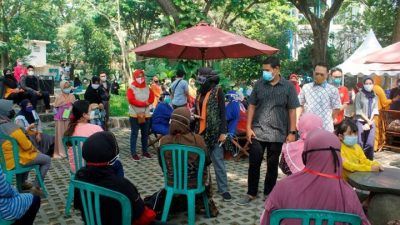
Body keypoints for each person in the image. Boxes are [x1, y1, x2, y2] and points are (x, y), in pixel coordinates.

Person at [260, 130, 371, 225]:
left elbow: (265, 221)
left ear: (305, 156)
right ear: (338, 157)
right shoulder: (349, 194)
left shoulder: (283, 187)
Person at [237, 57, 299, 206]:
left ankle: (268, 193)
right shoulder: (259, 85)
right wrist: (248, 127)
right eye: (263, 70)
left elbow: (292, 110)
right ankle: (251, 192)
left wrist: (292, 132)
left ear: (277, 69)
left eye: (267, 70)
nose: (264, 73)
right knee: (254, 163)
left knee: (272, 166)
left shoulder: (288, 87)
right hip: (258, 131)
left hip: (278, 133)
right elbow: (251, 105)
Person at [73, 131, 159, 225]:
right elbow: (143, 217)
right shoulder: (122, 185)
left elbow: (77, 205)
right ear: (112, 154)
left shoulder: (79, 177)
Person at [159, 107, 218, 216]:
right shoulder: (197, 139)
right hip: (194, 183)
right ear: (187, 123)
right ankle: (205, 201)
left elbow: (162, 165)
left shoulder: (164, 141)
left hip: (172, 181)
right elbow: (207, 160)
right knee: (206, 169)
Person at [195, 67, 232, 202]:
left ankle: (224, 189)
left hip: (215, 132)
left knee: (218, 161)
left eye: (201, 76)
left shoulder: (218, 91)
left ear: (207, 77)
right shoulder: (199, 92)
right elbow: (198, 109)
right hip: (200, 132)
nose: (199, 78)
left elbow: (223, 113)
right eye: (198, 76)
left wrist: (223, 132)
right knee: (202, 162)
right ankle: (205, 186)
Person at [0, 99, 51, 195]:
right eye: (9, 109)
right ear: (4, 113)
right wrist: (36, 150)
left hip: (4, 161)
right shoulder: (13, 128)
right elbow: (27, 146)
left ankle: (22, 183)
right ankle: (36, 187)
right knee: (46, 159)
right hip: (17, 160)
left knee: (29, 155)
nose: (12, 111)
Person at [63, 100, 123, 176]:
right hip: (93, 170)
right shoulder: (96, 128)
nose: (92, 112)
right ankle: (116, 186)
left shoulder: (68, 131)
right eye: (90, 110)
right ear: (84, 115)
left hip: (76, 170)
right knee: (117, 163)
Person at [298, 63, 342, 132]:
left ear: (327, 74)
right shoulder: (306, 87)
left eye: (322, 74)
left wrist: (328, 120)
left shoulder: (333, 90)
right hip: (307, 129)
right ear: (313, 72)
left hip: (325, 128)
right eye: (317, 74)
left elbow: (337, 108)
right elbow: (299, 105)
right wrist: (297, 120)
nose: (319, 76)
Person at [127, 69, 155, 161]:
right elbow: (131, 100)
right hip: (134, 114)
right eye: (138, 76)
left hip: (146, 114)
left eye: (142, 76)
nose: (140, 78)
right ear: (135, 77)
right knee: (134, 133)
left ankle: (145, 151)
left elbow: (152, 97)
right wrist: (144, 103)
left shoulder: (147, 87)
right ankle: (133, 153)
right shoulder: (131, 88)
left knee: (145, 134)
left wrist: (148, 102)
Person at [355, 77, 379, 160]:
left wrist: (369, 122)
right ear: (363, 84)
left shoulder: (375, 95)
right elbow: (358, 110)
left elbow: (375, 109)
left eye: (370, 83)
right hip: (361, 121)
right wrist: (367, 121)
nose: (368, 85)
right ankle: (359, 159)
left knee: (370, 143)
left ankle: (368, 160)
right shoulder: (359, 95)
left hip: (371, 121)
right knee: (360, 142)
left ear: (373, 84)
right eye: (366, 83)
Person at [53, 80, 76, 158]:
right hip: (60, 118)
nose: (67, 88)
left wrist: (70, 108)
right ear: (62, 87)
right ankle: (61, 151)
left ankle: (70, 150)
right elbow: (55, 108)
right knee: (60, 134)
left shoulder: (72, 96)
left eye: (68, 87)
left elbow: (74, 105)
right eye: (65, 87)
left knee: (69, 133)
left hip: (69, 117)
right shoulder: (59, 97)